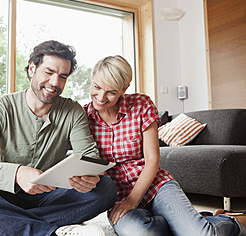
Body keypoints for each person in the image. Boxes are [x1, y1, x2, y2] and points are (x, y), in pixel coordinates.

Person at [0, 40, 117, 236]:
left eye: (62, 77)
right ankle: (48, 231)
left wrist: (89, 178)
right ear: (32, 68)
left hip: (49, 195)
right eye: (49, 73)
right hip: (3, 193)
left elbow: (88, 157)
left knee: (106, 188)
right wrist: (17, 173)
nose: (55, 83)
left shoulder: (73, 111)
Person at [83, 55, 246, 236]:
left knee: (201, 234)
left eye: (111, 92)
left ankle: (232, 220)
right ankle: (193, 221)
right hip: (118, 195)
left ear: (124, 89)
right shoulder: (83, 118)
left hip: (156, 185)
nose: (101, 97)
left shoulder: (141, 104)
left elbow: (152, 160)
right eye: (96, 87)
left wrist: (132, 201)